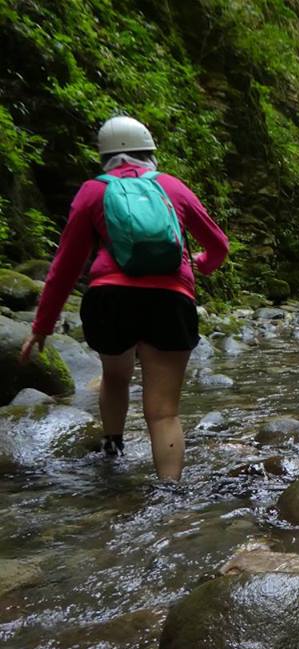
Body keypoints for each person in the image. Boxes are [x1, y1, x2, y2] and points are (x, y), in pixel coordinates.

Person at [19, 116, 229, 481]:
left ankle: (113, 448)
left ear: (105, 156)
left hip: (110, 299)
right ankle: (169, 494)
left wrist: (42, 326)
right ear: (149, 152)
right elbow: (218, 246)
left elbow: (65, 266)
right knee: (163, 412)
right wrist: (201, 265)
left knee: (114, 377)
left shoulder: (92, 191)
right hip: (170, 299)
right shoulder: (172, 187)